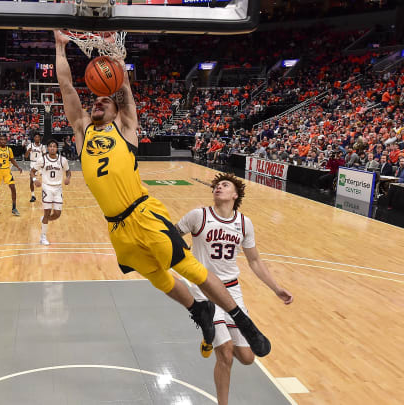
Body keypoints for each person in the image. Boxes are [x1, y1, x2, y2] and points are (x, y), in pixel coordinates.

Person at [54, 30, 270, 357]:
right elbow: (67, 87)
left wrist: (118, 66)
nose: (97, 102)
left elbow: (124, 93)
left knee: (187, 268)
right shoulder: (82, 132)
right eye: (95, 101)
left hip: (144, 213)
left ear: (116, 110)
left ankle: (242, 320)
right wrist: (59, 46)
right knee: (157, 277)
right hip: (116, 226)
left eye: (104, 100)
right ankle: (199, 311)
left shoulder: (124, 130)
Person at [176, 173, 293, 405]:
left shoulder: (243, 223)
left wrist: (276, 288)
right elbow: (171, 235)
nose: (218, 187)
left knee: (248, 358)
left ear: (235, 194)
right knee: (226, 354)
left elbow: (255, 261)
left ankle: (208, 337)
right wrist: (180, 248)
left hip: (232, 291)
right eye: (216, 186)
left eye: (224, 185)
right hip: (205, 289)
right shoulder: (198, 215)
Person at [30, 139, 70, 245]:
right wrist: (35, 180)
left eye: (54, 146)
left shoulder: (63, 160)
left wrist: (68, 178)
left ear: (57, 148)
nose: (52, 148)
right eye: (50, 146)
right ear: (48, 148)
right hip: (47, 187)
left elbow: (68, 171)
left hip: (58, 189)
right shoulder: (42, 159)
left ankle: (44, 219)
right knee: (47, 212)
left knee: (57, 214)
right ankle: (43, 237)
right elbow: (32, 172)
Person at [0, 134, 23, 216]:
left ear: (6, 141)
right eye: (1, 140)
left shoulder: (9, 149)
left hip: (7, 171)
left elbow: (12, 159)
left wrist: (18, 167)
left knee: (13, 188)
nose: (3, 141)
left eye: (5, 140)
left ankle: (14, 208)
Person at [24, 133, 46, 203]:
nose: (37, 138)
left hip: (41, 163)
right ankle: (33, 195)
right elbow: (26, 156)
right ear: (34, 138)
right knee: (32, 180)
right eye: (36, 137)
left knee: (46, 180)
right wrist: (28, 151)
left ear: (40, 138)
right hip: (33, 163)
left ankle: (46, 195)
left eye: (38, 137)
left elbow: (45, 156)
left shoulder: (42, 146)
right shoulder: (30, 145)